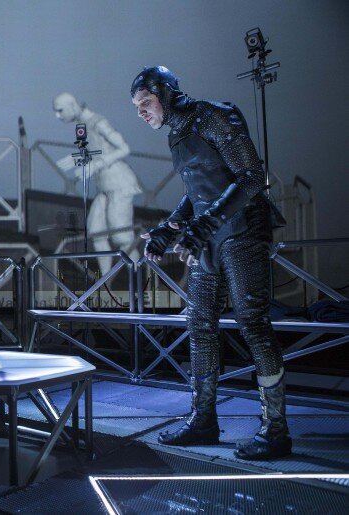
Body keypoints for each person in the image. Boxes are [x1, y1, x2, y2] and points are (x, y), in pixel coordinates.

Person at [133, 66, 290, 460]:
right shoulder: (177, 133)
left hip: (243, 229)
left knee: (253, 324)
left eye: (145, 102)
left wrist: (204, 224)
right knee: (199, 324)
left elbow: (251, 177)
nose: (141, 112)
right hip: (210, 236)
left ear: (166, 93)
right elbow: (198, 190)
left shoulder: (214, 115)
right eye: (136, 106)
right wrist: (169, 229)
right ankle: (203, 420)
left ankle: (276, 430)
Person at [53, 92, 142, 274]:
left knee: (123, 238)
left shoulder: (98, 122)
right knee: (96, 232)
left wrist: (96, 165)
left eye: (60, 110)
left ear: (72, 105)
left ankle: (140, 282)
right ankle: (106, 281)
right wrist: (76, 159)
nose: (58, 116)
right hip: (104, 187)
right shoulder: (80, 125)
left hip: (119, 184)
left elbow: (124, 148)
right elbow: (92, 152)